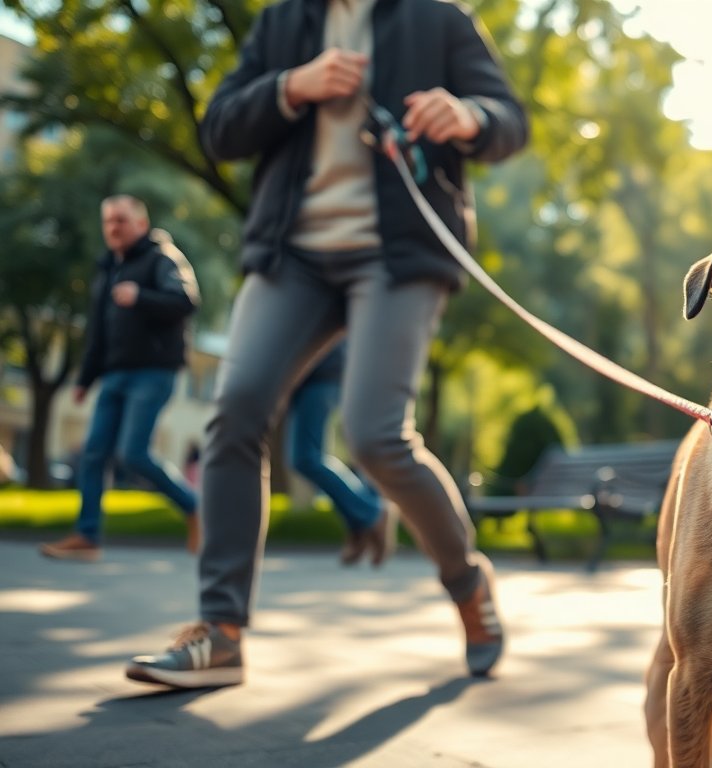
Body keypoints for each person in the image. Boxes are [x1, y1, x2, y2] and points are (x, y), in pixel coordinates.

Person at [124, 0, 528, 689]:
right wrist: (292, 86)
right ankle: (220, 634)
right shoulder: (285, 23)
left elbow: (508, 120)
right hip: (294, 257)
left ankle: (467, 582)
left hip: (399, 256)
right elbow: (218, 128)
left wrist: (468, 116)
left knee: (374, 437)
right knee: (236, 410)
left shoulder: (439, 21)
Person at [40, 196, 201, 562]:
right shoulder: (107, 270)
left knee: (133, 454)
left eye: (122, 220)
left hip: (154, 371)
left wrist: (140, 296)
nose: (114, 227)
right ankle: (87, 536)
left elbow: (186, 300)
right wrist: (85, 378)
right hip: (114, 374)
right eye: (109, 221)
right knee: (93, 453)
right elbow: (98, 331)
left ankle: (194, 506)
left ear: (141, 224)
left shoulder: (163, 257)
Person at [286, 342, 397, 567]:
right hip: (313, 372)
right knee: (306, 456)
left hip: (319, 369)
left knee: (306, 456)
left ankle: (371, 512)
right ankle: (360, 521)